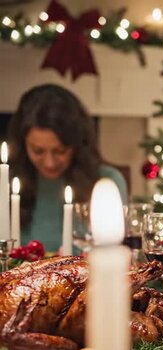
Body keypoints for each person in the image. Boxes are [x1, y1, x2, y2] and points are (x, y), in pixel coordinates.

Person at [8, 84, 128, 253]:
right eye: (38, 151)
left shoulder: (106, 183)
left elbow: (113, 255)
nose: (49, 162)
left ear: (77, 143)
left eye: (60, 150)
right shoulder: (7, 184)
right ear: (23, 144)